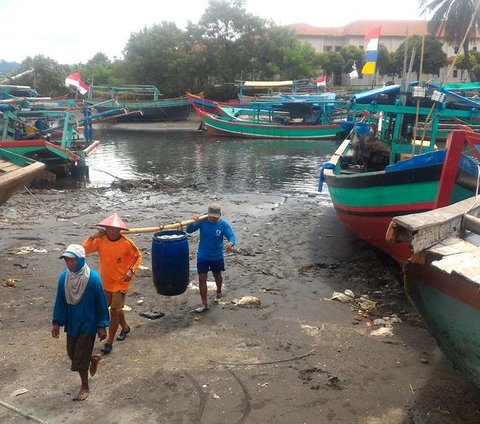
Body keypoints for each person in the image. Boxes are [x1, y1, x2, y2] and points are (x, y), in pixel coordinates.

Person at [52, 244, 110, 401]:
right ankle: (92, 358)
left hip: (88, 323)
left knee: (79, 359)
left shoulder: (93, 279)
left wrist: (102, 325)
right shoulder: (64, 278)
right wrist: (56, 321)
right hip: (73, 323)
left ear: (80, 260)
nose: (68, 263)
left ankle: (85, 386)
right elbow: (60, 301)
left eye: (72, 260)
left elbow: (101, 303)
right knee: (72, 353)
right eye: (66, 260)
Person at [82, 213, 142, 355]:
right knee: (117, 309)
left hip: (120, 283)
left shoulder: (127, 243)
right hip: (105, 283)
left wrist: (131, 271)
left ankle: (109, 342)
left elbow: (138, 256)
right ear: (106, 229)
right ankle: (125, 328)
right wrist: (92, 237)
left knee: (113, 312)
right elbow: (84, 250)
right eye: (110, 228)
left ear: (120, 230)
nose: (113, 231)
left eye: (116, 229)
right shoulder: (101, 241)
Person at [186, 203, 236, 313]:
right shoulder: (202, 221)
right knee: (202, 278)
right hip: (203, 256)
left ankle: (218, 291)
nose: (212, 219)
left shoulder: (223, 225)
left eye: (215, 217)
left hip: (216, 256)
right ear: (207, 214)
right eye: (211, 216)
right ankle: (204, 304)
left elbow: (231, 236)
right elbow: (189, 230)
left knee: (217, 275)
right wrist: (193, 221)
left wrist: (231, 242)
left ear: (219, 215)